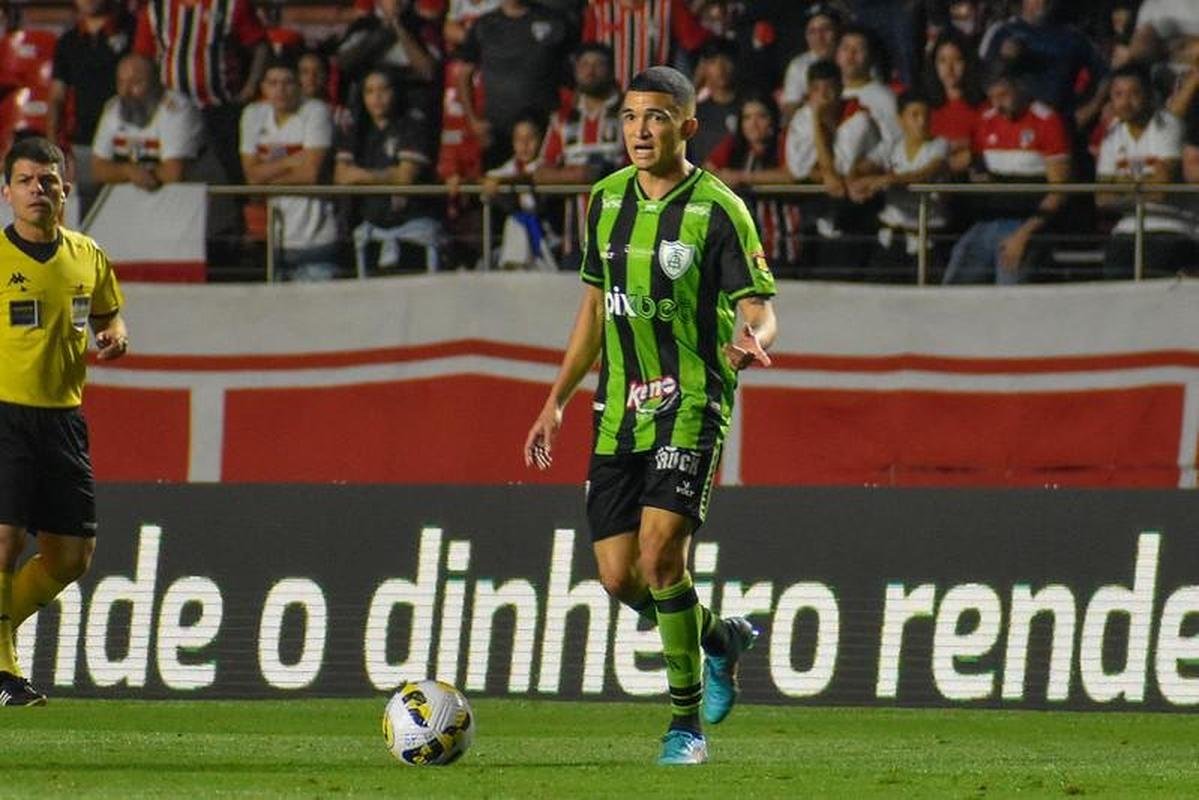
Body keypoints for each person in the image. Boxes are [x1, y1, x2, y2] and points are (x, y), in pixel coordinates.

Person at [522, 66, 776, 765]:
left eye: (657, 117)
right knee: (617, 577)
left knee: (662, 555)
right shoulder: (603, 201)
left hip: (691, 401)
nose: (640, 129)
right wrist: (556, 399)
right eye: (631, 116)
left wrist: (754, 338)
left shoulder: (719, 209)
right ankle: (720, 640)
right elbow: (593, 313)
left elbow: (758, 305)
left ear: (686, 127)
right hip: (619, 411)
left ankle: (684, 727)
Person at [0, 136, 128, 706]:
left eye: (47, 181)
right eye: (26, 181)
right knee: (4, 542)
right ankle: (4, 672)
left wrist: (115, 336)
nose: (37, 190)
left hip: (65, 421)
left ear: (65, 190)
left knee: (70, 559)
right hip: (5, 414)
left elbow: (109, 312)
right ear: (7, 193)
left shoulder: (88, 255)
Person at [942, 64, 1070, 284]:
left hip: (1026, 221)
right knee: (956, 279)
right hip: (987, 222)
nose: (997, 104)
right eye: (992, 97)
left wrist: (1024, 235)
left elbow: (1059, 189)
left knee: (1009, 285)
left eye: (1003, 95)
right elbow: (966, 158)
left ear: (1020, 88)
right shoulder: (987, 119)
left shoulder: (1047, 121)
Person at [239, 55, 340, 281]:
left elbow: (311, 173)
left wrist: (265, 175)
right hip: (275, 241)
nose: (280, 90)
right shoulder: (252, 115)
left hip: (315, 238)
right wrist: (290, 161)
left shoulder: (316, 111)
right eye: (273, 83)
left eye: (287, 82)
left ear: (299, 86)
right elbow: (250, 177)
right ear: (263, 87)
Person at [335, 67, 441, 275]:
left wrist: (361, 176)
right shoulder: (357, 127)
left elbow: (405, 177)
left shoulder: (412, 123)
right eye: (370, 91)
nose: (377, 97)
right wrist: (386, 175)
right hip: (372, 229)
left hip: (412, 231)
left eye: (384, 89)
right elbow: (341, 177)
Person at [1095, 64, 1197, 279]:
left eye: (1134, 93)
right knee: (1113, 278)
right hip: (1127, 228)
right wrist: (1143, 186)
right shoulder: (1112, 134)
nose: (1126, 102)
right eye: (1119, 95)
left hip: (1171, 225)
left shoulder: (1167, 126)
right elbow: (1102, 197)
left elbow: (1161, 188)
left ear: (1149, 96)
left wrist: (1121, 188)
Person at [534, 43, 625, 264]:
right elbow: (540, 175)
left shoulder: (630, 114)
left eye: (598, 65)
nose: (590, 71)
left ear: (612, 70)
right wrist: (577, 176)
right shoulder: (563, 118)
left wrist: (606, 175)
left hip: (623, 242)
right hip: (575, 243)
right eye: (584, 65)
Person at [455, 0, 571, 168]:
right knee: (497, 187)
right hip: (498, 130)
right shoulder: (484, 25)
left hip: (543, 130)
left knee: (546, 187)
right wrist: (473, 120)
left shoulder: (553, 21)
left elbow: (571, 71)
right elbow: (464, 75)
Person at [849, 91, 950, 278]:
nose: (922, 122)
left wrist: (887, 180)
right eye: (915, 115)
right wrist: (856, 182)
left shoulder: (939, 145)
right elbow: (863, 167)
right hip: (891, 238)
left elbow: (925, 173)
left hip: (927, 239)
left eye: (926, 116)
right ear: (900, 119)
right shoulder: (892, 145)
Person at [704, 92, 802, 274]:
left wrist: (742, 177)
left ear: (773, 119)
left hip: (780, 242)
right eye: (747, 117)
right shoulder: (733, 144)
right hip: (741, 247)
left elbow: (791, 175)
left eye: (761, 116)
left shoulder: (785, 141)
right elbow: (708, 171)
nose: (753, 124)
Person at [47, 0, 137, 196]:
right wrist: (53, 149)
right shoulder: (67, 42)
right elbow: (56, 99)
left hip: (126, 143)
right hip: (84, 143)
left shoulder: (132, 32)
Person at [90, 54, 206, 191]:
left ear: (155, 84)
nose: (126, 92)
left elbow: (174, 174)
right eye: (121, 83)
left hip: (184, 201)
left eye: (135, 83)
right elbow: (97, 170)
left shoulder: (178, 111)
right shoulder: (113, 109)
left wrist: (120, 173)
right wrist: (128, 171)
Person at [779, 3, 842, 125]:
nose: (819, 37)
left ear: (838, 31)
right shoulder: (799, 66)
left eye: (826, 29)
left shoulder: (851, 59)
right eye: (812, 31)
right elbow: (791, 109)